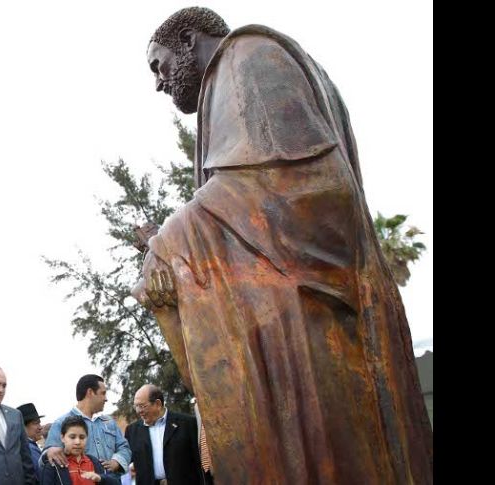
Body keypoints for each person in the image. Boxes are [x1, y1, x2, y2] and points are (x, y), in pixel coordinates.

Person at [134, 7, 434, 484]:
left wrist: (172, 237)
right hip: (298, 311)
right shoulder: (233, 77)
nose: (157, 82)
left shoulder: (249, 57)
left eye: (159, 64)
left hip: (313, 306)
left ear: (190, 40)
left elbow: (302, 186)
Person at [42, 375, 131, 480]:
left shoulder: (110, 422)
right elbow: (47, 459)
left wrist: (117, 462)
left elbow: (124, 447)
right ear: (90, 392)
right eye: (103, 393)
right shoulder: (61, 423)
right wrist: (48, 452)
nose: (106, 399)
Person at [124, 385, 201, 485]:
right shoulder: (132, 431)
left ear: (158, 404)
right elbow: (124, 458)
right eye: (136, 406)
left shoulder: (187, 424)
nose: (139, 411)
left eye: (142, 406)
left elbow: (200, 463)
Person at [41, 416, 121, 485]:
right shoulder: (53, 466)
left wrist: (100, 478)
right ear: (62, 438)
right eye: (72, 437)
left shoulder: (95, 462)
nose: (78, 442)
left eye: (82, 437)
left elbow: (116, 482)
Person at [17, 402, 46, 483]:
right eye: (36, 423)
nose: (40, 427)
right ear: (23, 426)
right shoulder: (29, 449)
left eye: (39, 422)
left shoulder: (27, 446)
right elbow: (42, 475)